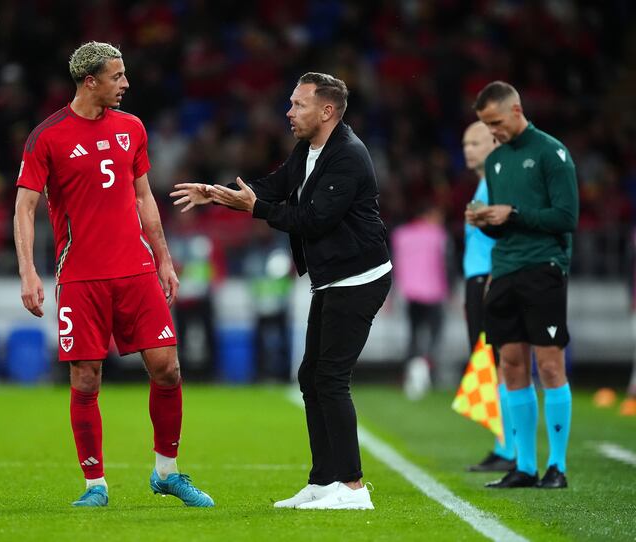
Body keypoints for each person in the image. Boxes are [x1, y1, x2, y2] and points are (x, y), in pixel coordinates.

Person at [172, 72, 391, 510]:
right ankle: (323, 480)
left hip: (359, 278)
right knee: (311, 376)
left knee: (329, 379)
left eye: (298, 104)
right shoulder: (310, 151)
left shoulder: (347, 155)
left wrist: (256, 209)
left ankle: (351, 488)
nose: (289, 112)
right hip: (333, 278)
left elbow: (313, 219)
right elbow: (274, 186)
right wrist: (217, 194)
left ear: (326, 111)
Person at [13, 41, 213, 508]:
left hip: (136, 269)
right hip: (81, 275)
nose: (125, 84)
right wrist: (27, 271)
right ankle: (95, 486)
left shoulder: (132, 128)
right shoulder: (48, 136)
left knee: (167, 368)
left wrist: (163, 257)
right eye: (117, 76)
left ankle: (167, 472)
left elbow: (143, 197)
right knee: (86, 380)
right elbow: (24, 207)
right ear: (90, 81)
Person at [466, 81, 578, 489]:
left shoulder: (552, 153)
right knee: (511, 364)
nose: (491, 131)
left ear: (516, 110)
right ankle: (525, 466)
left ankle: (558, 467)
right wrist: (487, 220)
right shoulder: (496, 163)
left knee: (549, 364)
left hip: (542, 269)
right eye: (485, 124)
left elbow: (566, 218)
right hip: (506, 268)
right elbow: (505, 226)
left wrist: (511, 212)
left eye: (495, 122)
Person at [461, 121, 517, 472]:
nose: (468, 148)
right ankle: (504, 444)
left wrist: (494, 277)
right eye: (465, 142)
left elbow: (505, 233)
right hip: (477, 278)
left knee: (498, 364)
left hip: (488, 279)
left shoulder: (498, 181)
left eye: (476, 142)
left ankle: (509, 449)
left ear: (494, 142)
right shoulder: (485, 183)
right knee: (488, 365)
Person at [391, 203, 449, 396]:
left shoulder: (401, 235)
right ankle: (427, 372)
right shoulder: (438, 235)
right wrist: (452, 292)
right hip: (434, 292)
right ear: (428, 215)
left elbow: (393, 264)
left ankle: (411, 374)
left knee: (414, 334)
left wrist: (391, 295)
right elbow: (447, 265)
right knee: (434, 336)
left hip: (410, 293)